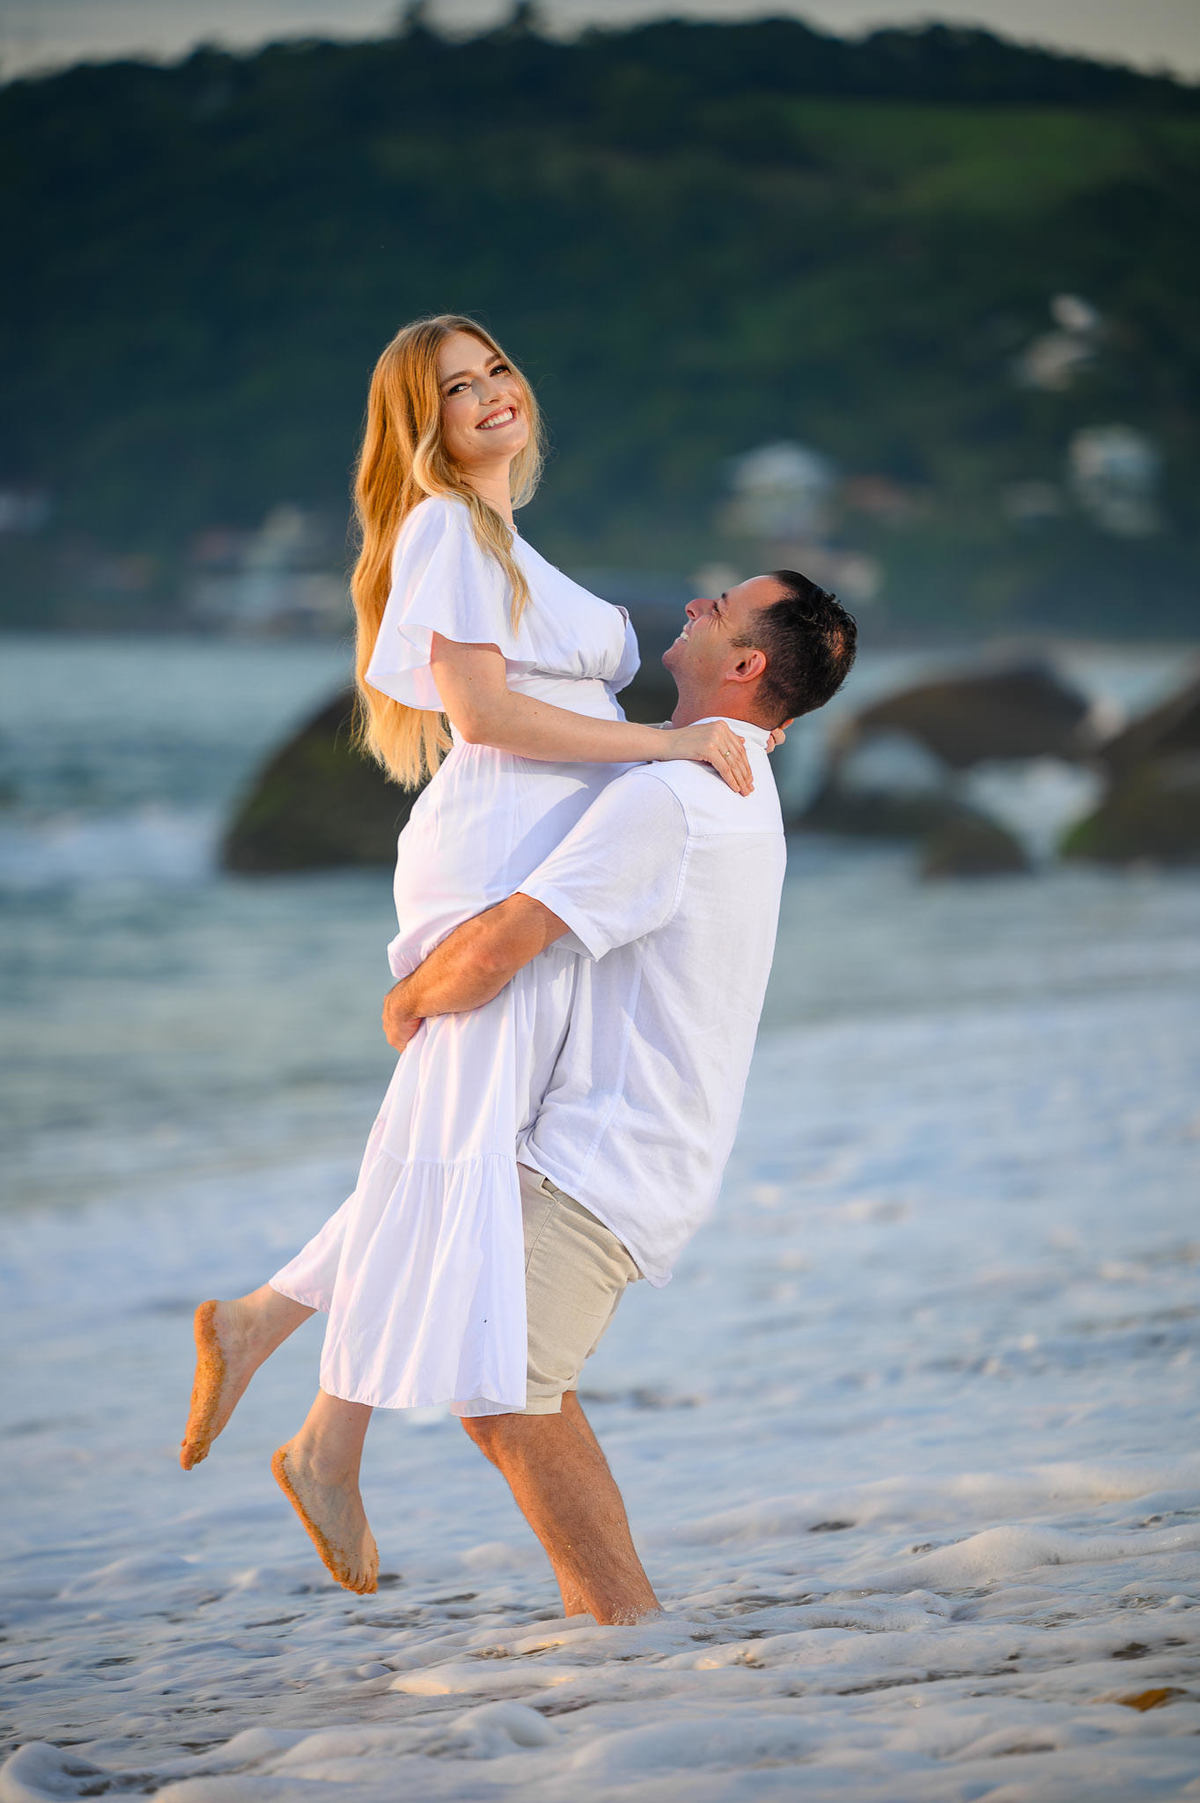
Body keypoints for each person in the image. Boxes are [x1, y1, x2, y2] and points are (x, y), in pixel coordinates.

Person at [179, 314, 756, 1576]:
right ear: (421, 425)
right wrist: (665, 744)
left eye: (496, 368)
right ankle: (300, 1399)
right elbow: (488, 715)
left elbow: (534, 699)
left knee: (458, 1150)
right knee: (456, 1150)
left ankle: (288, 1367)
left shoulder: (497, 536)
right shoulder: (443, 525)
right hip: (498, 855)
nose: (490, 393)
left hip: (533, 857)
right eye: (456, 387)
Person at [186, 556, 858, 1614]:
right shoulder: (732, 784)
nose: (693, 602)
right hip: (623, 1149)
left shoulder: (676, 797)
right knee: (445, 1234)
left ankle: (626, 1636)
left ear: (742, 663)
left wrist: (411, 998)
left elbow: (510, 937)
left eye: (719, 606)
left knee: (510, 1398)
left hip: (601, 1163)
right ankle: (300, 1398)